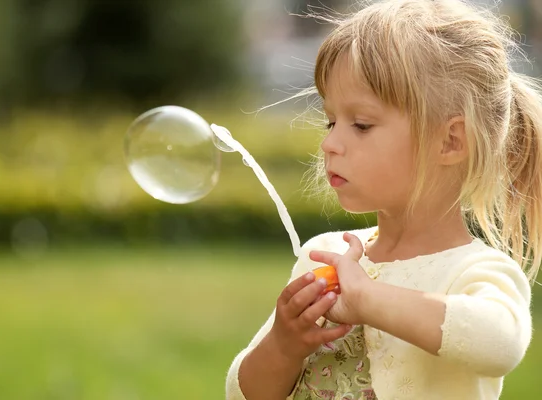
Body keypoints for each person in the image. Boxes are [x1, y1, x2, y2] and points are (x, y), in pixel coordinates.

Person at [225, 0, 542, 399]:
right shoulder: (325, 255)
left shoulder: (474, 271)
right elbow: (242, 393)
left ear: (450, 141)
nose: (329, 143)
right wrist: (284, 345)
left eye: (361, 124)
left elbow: (500, 343)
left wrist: (369, 300)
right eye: (331, 121)